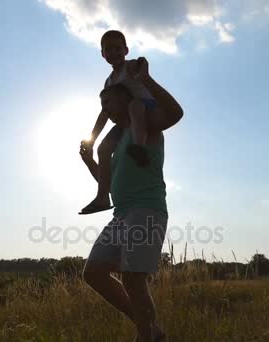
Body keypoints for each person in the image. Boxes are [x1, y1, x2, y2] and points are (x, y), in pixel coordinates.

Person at [80, 57, 183, 342]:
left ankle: (146, 336)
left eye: (108, 104)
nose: (105, 111)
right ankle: (151, 331)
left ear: (125, 100)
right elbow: (111, 184)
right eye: (102, 107)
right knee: (94, 273)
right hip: (121, 214)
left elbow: (175, 113)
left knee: (134, 280)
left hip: (146, 210)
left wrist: (146, 80)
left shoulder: (147, 125)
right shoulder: (114, 141)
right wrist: (90, 162)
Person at [79, 30, 182, 215]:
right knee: (103, 149)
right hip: (127, 119)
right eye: (108, 49)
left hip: (147, 108)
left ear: (126, 50)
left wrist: (143, 68)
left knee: (135, 105)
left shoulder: (131, 66)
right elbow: (104, 113)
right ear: (102, 54)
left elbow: (143, 69)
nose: (113, 53)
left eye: (118, 48)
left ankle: (139, 147)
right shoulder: (109, 82)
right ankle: (102, 197)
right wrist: (92, 139)